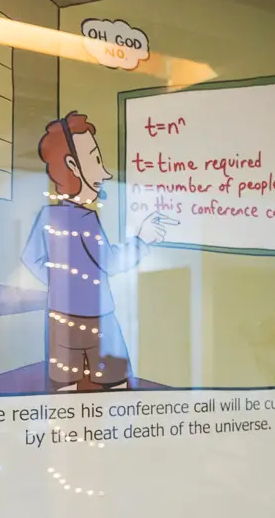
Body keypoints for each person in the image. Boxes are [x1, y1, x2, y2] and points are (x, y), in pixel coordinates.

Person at [21, 111, 174, 392]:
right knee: (113, 387)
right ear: (72, 165)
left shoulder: (47, 215)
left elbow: (30, 259)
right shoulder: (85, 219)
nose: (105, 173)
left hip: (60, 319)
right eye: (96, 159)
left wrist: (60, 283)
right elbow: (111, 262)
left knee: (65, 389)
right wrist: (143, 241)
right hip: (97, 320)